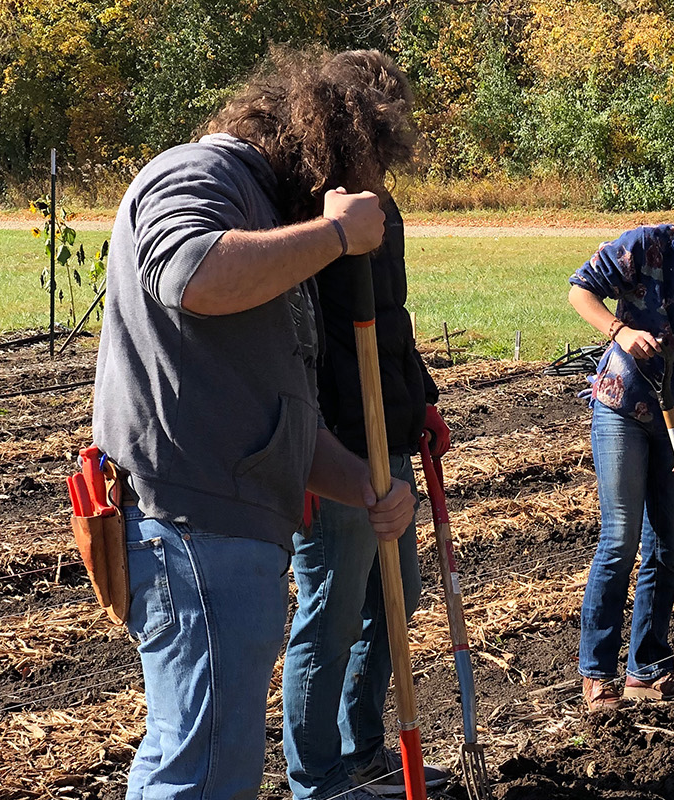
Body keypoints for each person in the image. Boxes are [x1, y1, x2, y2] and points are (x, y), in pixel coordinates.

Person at [92, 48, 416, 800]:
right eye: (359, 174)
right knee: (200, 773)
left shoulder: (267, 223)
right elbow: (192, 273)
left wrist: (366, 488)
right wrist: (334, 235)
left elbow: (281, 418)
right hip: (191, 529)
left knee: (208, 762)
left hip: (226, 532)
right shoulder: (200, 175)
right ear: (328, 153)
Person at [281, 51, 451, 799]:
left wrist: (423, 402)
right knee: (331, 612)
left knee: (396, 596)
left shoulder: (384, 212)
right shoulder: (300, 213)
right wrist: (306, 454)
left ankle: (362, 747)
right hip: (332, 445)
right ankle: (318, 780)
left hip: (388, 436)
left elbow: (392, 325)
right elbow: (289, 345)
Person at [569, 164, 674, 711]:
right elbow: (580, 290)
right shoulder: (647, 247)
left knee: (667, 542)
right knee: (620, 538)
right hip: (624, 406)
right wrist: (621, 331)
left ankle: (648, 666)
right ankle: (597, 671)